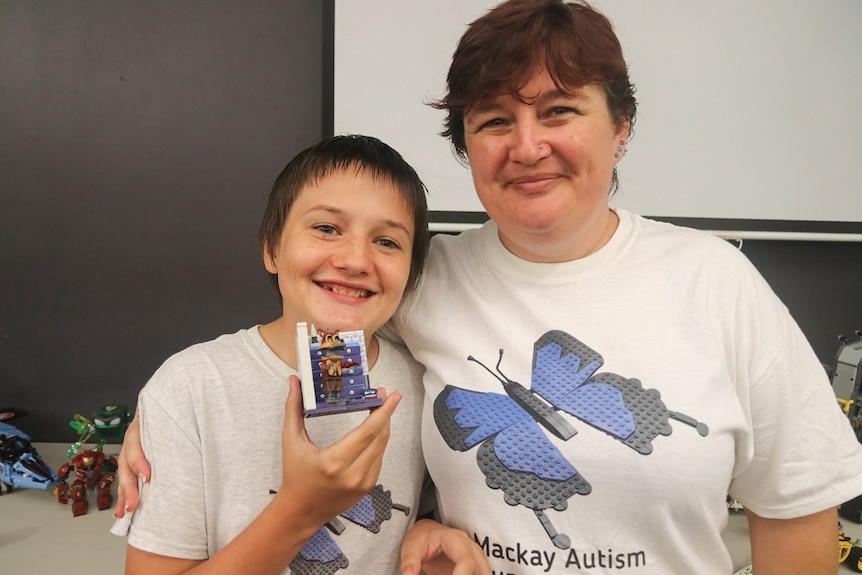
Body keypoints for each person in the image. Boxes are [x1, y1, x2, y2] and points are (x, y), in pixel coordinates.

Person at [118, 1, 862, 573]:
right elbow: (322, 314)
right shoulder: (427, 278)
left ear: (621, 127)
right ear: (467, 146)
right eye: (495, 120)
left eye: (560, 110)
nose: (527, 146)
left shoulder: (718, 281)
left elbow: (796, 503)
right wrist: (165, 412)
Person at [110, 134, 489, 575]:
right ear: (272, 247)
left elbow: (410, 514)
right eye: (327, 228)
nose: (355, 259)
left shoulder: (423, 383)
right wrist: (299, 510)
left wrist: (425, 530)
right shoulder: (192, 387)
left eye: (387, 241)